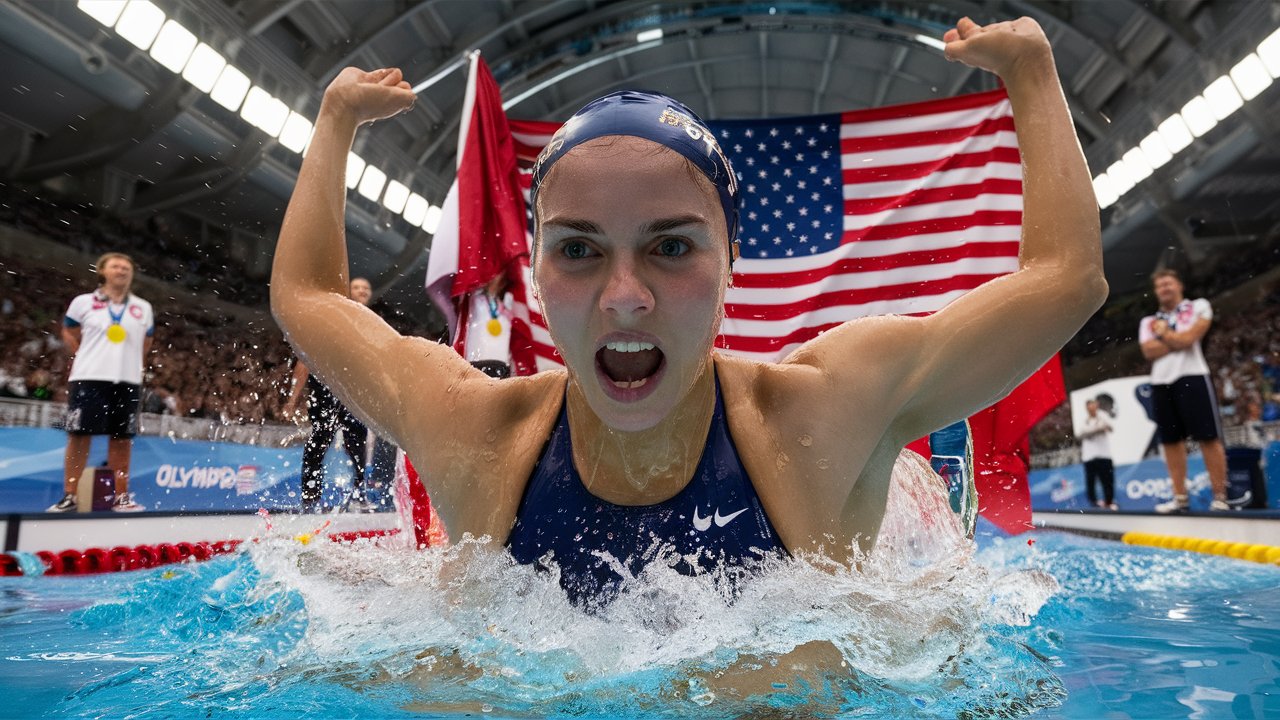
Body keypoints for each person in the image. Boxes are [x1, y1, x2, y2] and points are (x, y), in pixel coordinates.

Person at [271, 17, 1105, 608]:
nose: (624, 296)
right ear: (533, 273)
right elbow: (305, 298)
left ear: (730, 265)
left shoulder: (821, 414)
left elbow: (1066, 280)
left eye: (670, 248)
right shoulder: (476, 433)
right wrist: (336, 120)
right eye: (579, 249)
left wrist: (1032, 72)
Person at [47, 252, 153, 512]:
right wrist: (83, 353)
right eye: (116, 266)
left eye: (127, 267)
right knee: (79, 435)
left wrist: (131, 363)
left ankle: (121, 497)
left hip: (127, 380)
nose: (122, 270)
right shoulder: (82, 302)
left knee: (122, 438)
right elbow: (68, 330)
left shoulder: (143, 308)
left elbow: (146, 342)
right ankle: (69, 495)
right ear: (102, 271)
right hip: (89, 377)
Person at [283, 277, 379, 513]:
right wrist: (292, 399)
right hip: (326, 389)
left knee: (358, 445)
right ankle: (310, 495)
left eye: (366, 288)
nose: (361, 291)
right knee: (319, 440)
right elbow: (304, 360)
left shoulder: (372, 325)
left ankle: (358, 494)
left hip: (355, 394)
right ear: (348, 292)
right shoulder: (331, 318)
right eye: (356, 287)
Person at [1139, 269, 1230, 512]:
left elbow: (1190, 339)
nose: (1164, 289)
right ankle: (1180, 498)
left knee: (1208, 437)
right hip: (1160, 382)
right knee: (1170, 441)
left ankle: (1220, 496)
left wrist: (1165, 335)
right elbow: (1149, 352)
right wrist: (1177, 339)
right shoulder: (1148, 322)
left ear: (1179, 285)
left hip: (1193, 376)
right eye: (1159, 286)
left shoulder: (1199, 306)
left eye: (1168, 283)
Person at [1079, 397, 1116, 510]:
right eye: (1089, 407)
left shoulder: (1103, 416)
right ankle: (1093, 503)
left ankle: (1109, 502)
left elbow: (1110, 428)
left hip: (1104, 454)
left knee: (1107, 480)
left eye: (1093, 406)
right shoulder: (1084, 421)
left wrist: (1099, 427)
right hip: (1089, 457)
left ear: (1097, 406)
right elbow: (1081, 434)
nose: (1091, 409)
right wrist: (1097, 429)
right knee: (1091, 481)